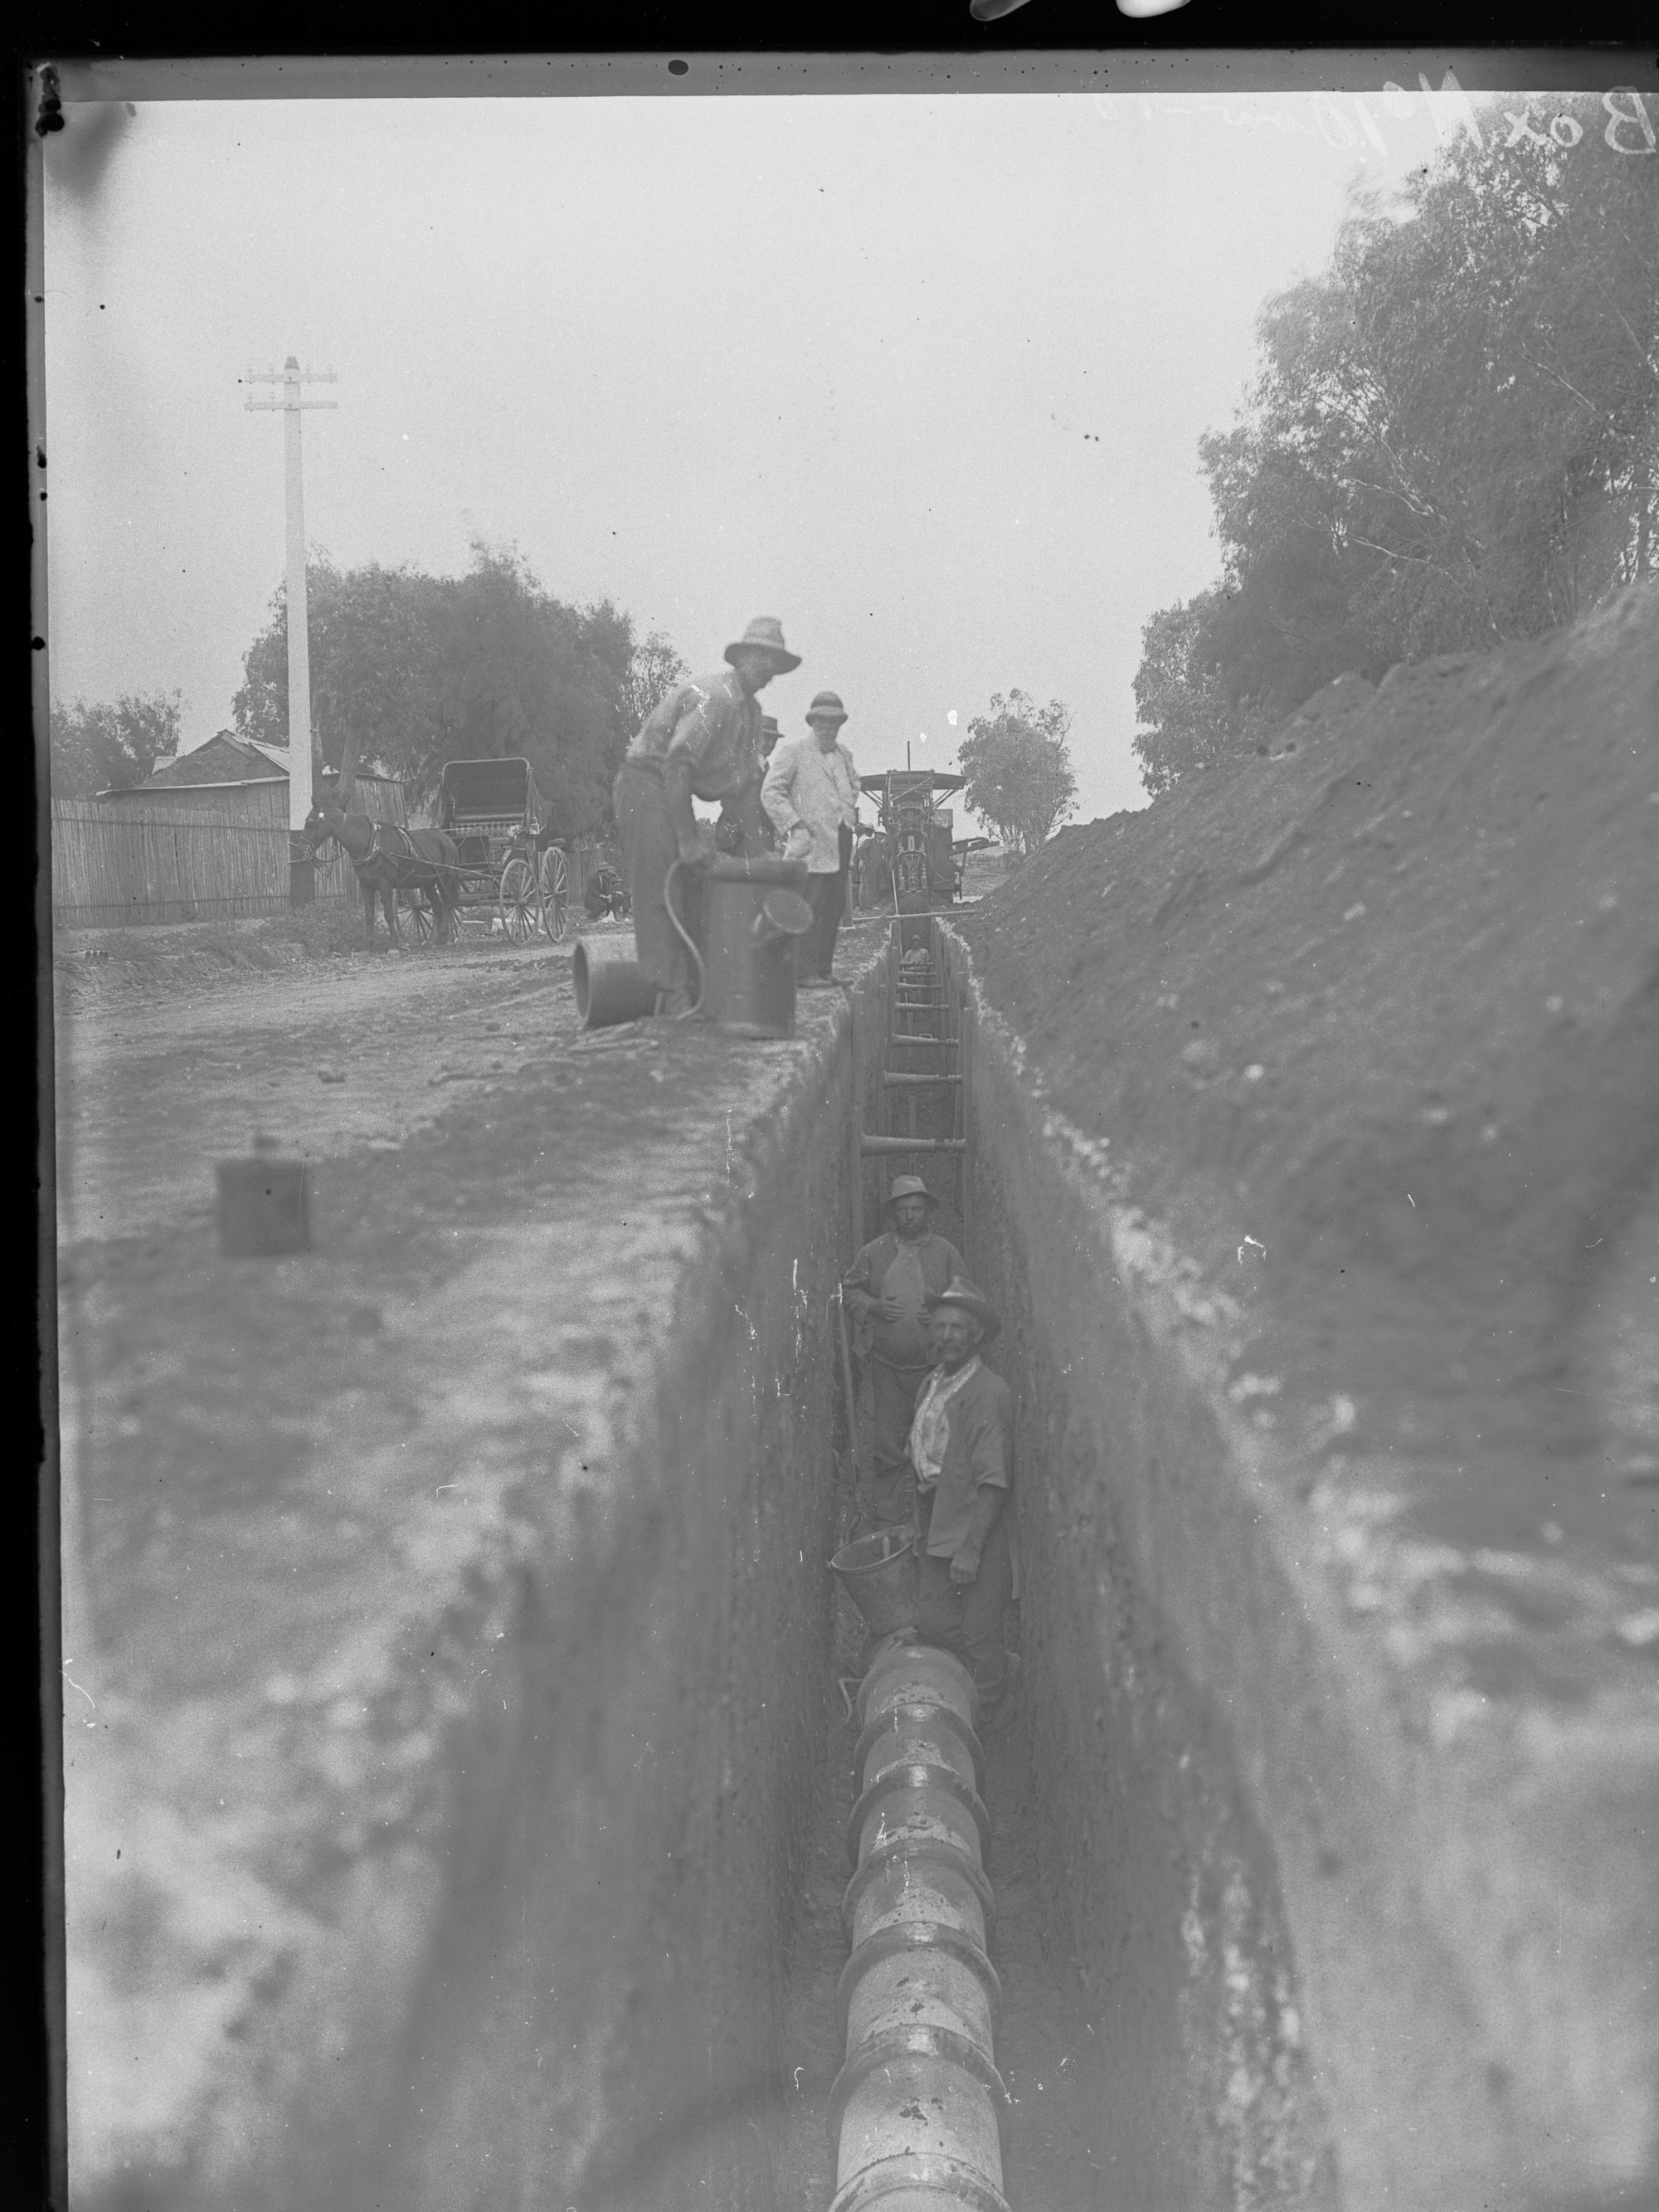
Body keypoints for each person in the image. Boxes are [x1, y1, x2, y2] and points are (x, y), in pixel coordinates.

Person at [611, 617, 800, 1017]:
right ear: (744, 658)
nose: (769, 673)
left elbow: (746, 789)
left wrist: (758, 853)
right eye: (765, 661)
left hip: (670, 788)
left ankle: (699, 984)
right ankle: (670, 994)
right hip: (645, 783)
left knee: (701, 883)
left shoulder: (752, 712)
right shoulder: (717, 698)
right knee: (662, 883)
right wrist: (687, 838)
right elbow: (677, 766)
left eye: (775, 665)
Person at [907, 1277, 1017, 1718]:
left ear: (977, 1336)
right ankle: (986, 1675)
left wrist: (971, 1549)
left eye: (957, 1328)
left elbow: (993, 1479)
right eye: (940, 1327)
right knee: (933, 1621)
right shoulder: (933, 1384)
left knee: (979, 1630)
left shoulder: (987, 1394)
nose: (946, 1337)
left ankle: (990, 1706)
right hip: (938, 1517)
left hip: (977, 1524)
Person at [840, 1178, 965, 1527]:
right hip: (888, 1368)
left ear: (927, 1213)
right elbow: (849, 1290)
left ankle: (939, 1520)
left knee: (938, 1442)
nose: (911, 1217)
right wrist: (874, 1307)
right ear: (893, 1214)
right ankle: (889, 1522)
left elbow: (968, 1301)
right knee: (889, 1446)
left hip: (935, 1370)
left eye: (917, 1210)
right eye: (904, 1210)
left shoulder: (946, 1254)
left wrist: (942, 1312)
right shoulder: (873, 1253)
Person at [761, 689, 859, 987]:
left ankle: (824, 969)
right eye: (823, 722)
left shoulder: (844, 754)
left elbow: (853, 786)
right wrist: (796, 823)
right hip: (811, 842)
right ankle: (804, 972)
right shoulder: (794, 753)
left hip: (840, 838)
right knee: (810, 905)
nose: (829, 727)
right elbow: (771, 792)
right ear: (812, 722)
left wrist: (845, 814)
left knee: (835, 907)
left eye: (835, 722)